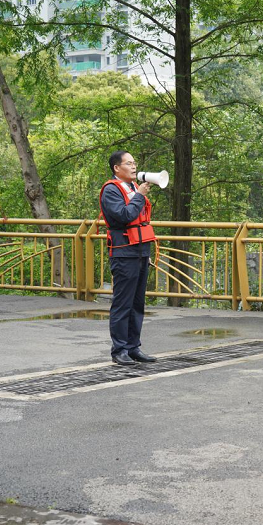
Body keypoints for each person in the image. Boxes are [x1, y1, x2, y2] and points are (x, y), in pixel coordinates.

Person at [99, 151, 158, 366]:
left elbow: (141, 220)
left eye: (134, 163)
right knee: (123, 304)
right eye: (129, 163)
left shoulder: (133, 188)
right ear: (117, 168)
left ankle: (134, 347)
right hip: (124, 252)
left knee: (137, 303)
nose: (134, 167)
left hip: (140, 251)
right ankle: (119, 350)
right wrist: (140, 195)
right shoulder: (111, 190)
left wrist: (146, 253)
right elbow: (124, 216)